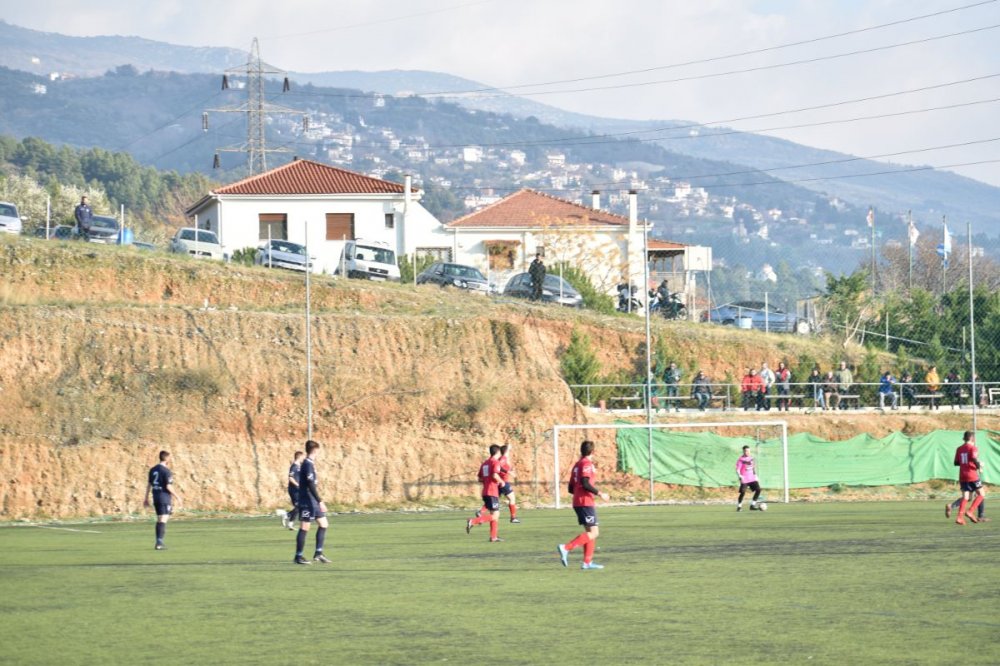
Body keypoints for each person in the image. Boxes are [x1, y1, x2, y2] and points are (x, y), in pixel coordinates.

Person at [557, 440, 609, 570]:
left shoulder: (577, 465)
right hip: (585, 502)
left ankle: (587, 562)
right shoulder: (586, 463)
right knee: (594, 532)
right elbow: (585, 483)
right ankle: (566, 548)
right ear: (593, 451)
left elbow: (570, 488)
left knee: (590, 532)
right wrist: (600, 493)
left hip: (579, 501)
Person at [294, 440, 331, 564]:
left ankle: (318, 553)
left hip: (312, 501)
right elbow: (310, 484)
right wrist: (320, 501)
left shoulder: (310, 464)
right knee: (305, 527)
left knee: (324, 524)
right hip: (307, 501)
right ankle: (298, 556)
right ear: (315, 451)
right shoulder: (307, 464)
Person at [143, 450, 180, 550]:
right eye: (170, 458)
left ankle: (159, 541)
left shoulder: (152, 469)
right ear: (167, 458)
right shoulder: (166, 471)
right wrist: (177, 497)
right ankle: (159, 543)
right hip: (164, 497)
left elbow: (149, 485)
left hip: (155, 496)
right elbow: (168, 486)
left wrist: (146, 498)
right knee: (163, 519)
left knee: (160, 518)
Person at [466, 445, 504, 541]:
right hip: (492, 491)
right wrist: (501, 481)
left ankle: (493, 537)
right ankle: (473, 521)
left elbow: (479, 478)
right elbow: (495, 475)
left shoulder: (485, 464)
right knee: (495, 515)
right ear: (498, 452)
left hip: (485, 492)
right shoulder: (495, 462)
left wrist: (487, 480)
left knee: (494, 514)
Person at [953, 430, 985, 525]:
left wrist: (965, 462)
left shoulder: (959, 448)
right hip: (971, 474)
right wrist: (979, 467)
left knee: (966, 497)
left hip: (962, 475)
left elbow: (956, 463)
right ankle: (970, 511)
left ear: (964, 438)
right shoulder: (973, 448)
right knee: (981, 494)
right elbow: (974, 459)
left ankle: (959, 517)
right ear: (972, 438)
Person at [497, 444, 520, 523]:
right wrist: (509, 472)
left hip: (500, 482)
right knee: (512, 498)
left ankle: (480, 512)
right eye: (509, 450)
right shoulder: (503, 458)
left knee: (494, 499)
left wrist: (510, 469)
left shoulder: (504, 458)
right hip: (503, 482)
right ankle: (513, 518)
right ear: (506, 451)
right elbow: (499, 467)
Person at [735, 445, 763, 511]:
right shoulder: (741, 459)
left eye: (749, 451)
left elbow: (753, 467)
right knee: (743, 492)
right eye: (746, 451)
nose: (748, 452)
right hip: (744, 479)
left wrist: (755, 476)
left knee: (758, 489)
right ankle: (739, 507)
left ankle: (752, 505)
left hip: (752, 478)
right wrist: (739, 475)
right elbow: (737, 469)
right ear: (743, 451)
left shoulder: (751, 458)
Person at [282, 450, 305, 530]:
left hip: (298, 490)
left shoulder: (299, 466)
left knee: (300, 506)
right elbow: (290, 478)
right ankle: (287, 515)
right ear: (299, 457)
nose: (303, 458)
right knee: (299, 506)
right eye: (303, 457)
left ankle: (290, 523)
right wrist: (297, 485)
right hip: (294, 490)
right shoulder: (294, 466)